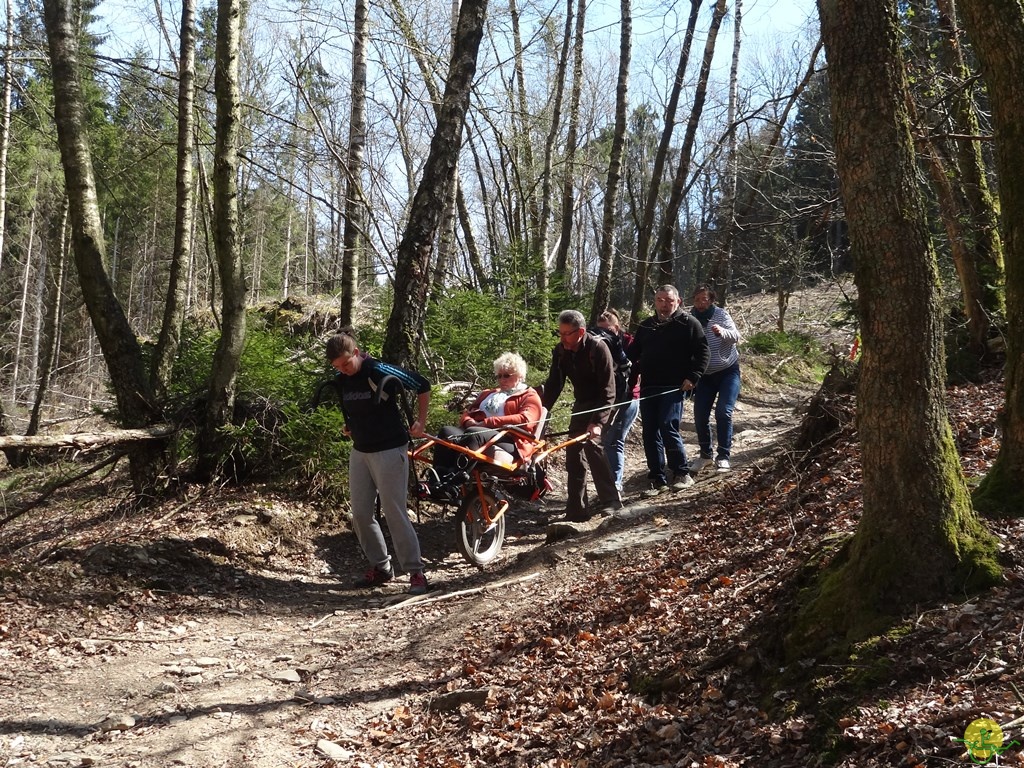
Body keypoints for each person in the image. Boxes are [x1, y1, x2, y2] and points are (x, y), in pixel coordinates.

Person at [326, 330, 431, 595]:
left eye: (347, 363)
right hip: (360, 451)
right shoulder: (342, 380)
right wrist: (349, 426)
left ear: (357, 353)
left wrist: (421, 421)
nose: (344, 370)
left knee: (394, 512)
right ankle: (381, 567)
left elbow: (422, 384)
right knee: (361, 513)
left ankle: (416, 572)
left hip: (389, 449)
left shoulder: (378, 370)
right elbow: (355, 406)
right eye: (338, 367)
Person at [626, 284, 710, 497]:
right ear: (655, 302)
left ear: (678, 302)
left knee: (668, 426)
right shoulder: (646, 326)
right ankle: (657, 479)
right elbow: (631, 354)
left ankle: (681, 473)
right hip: (649, 387)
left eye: (669, 301)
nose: (664, 305)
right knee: (650, 432)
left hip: (674, 387)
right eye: (660, 300)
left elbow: (703, 352)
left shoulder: (689, 323)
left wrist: (693, 377)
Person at [540, 310, 623, 521]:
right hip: (582, 404)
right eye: (560, 333)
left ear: (581, 331)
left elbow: (608, 390)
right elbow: (554, 385)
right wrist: (540, 412)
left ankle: (612, 501)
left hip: (606, 402)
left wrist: (597, 422)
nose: (563, 338)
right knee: (573, 452)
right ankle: (576, 510)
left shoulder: (598, 348)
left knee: (593, 445)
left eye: (567, 333)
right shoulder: (560, 351)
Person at [431, 352, 543, 483]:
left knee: (474, 433)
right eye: (499, 376)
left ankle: (455, 479)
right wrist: (468, 421)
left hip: (510, 438)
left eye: (507, 375)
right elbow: (468, 412)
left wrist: (487, 423)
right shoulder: (488, 393)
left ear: (519, 376)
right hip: (477, 430)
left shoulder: (528, 395)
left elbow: (526, 420)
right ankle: (436, 479)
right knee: (447, 432)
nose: (502, 380)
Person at [688, 286, 742, 473]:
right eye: (697, 299)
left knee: (723, 412)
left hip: (728, 371)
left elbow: (736, 336)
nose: (701, 303)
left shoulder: (720, 314)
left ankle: (723, 456)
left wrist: (722, 332)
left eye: (705, 299)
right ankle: (705, 455)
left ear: (711, 300)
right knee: (700, 415)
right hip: (705, 375)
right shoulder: (690, 318)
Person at [596, 309, 639, 493]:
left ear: (617, 327)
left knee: (614, 440)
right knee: (605, 440)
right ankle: (609, 484)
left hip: (628, 397)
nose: (603, 334)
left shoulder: (628, 342)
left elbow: (634, 370)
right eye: (600, 330)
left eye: (608, 330)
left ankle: (615, 485)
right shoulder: (596, 344)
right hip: (607, 399)